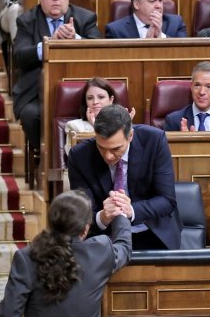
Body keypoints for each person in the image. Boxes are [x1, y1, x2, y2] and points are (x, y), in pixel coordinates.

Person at [0, 190, 132, 317]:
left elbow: (9, 313)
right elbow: (124, 246)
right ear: (86, 228)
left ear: (50, 223)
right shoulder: (101, 251)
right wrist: (121, 211)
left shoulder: (26, 258)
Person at [68, 104, 182, 250]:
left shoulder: (154, 140)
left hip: (152, 231)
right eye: (102, 148)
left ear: (130, 136)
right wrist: (102, 216)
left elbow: (167, 200)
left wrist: (131, 210)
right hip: (105, 237)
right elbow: (82, 211)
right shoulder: (79, 156)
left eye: (116, 149)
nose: (108, 156)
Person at [13, 0, 100, 154]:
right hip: (36, 93)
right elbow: (19, 56)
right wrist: (48, 44)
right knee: (30, 115)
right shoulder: (26, 21)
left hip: (80, 91)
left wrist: (76, 39)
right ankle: (48, 156)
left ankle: (83, 155)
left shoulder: (85, 18)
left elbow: (99, 50)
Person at [63, 77, 135, 155]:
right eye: (90, 98)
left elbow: (127, 155)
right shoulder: (74, 126)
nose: (95, 102)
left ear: (111, 100)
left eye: (101, 97)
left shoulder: (123, 123)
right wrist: (95, 127)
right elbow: (74, 157)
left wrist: (125, 127)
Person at [105, 0, 187, 39]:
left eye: (161, 0)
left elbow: (184, 53)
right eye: (152, 1)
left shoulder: (175, 23)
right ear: (136, 4)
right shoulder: (116, 30)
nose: (159, 6)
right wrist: (145, 44)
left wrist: (161, 37)